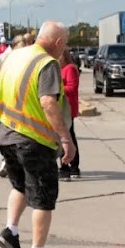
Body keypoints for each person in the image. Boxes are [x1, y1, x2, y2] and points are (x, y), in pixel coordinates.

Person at [0, 21, 75, 248]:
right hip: (32, 139)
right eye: (64, 44)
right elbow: (48, 102)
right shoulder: (47, 63)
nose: (64, 49)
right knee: (43, 197)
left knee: (20, 186)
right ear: (58, 42)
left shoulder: (13, 56)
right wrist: (65, 139)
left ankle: (10, 231)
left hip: (4, 134)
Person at [58, 49, 81, 180]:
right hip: (60, 108)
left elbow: (72, 88)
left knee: (67, 138)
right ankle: (69, 167)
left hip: (68, 108)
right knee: (65, 137)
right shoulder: (59, 69)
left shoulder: (70, 68)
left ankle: (70, 167)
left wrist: (57, 87)